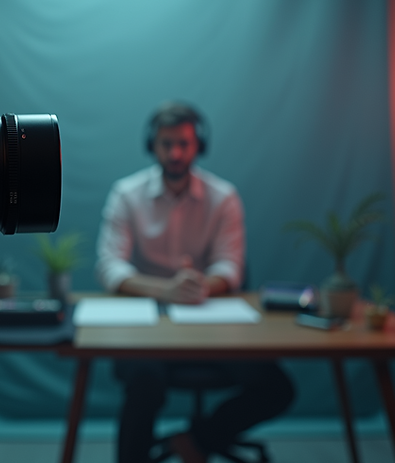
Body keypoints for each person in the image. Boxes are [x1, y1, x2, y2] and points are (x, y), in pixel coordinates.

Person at [95, 102, 295, 463]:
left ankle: (197, 440)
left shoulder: (223, 197)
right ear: (151, 145)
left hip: (209, 325)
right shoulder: (126, 194)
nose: (175, 153)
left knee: (277, 387)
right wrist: (163, 290)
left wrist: (200, 287)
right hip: (148, 328)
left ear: (198, 146)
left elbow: (230, 267)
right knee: (143, 382)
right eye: (166, 143)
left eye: (183, 144)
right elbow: (109, 267)